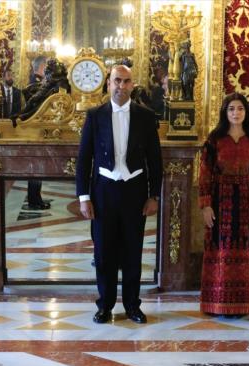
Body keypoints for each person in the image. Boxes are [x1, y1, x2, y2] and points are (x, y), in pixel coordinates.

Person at [76, 64, 162, 324]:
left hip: (135, 192)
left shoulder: (146, 117)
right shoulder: (95, 115)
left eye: (125, 82)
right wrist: (84, 197)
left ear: (132, 85)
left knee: (133, 252)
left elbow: (155, 161)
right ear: (108, 83)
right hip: (103, 191)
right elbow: (84, 159)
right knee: (104, 253)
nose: (120, 87)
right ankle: (105, 305)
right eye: (116, 81)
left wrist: (153, 195)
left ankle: (132, 306)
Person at [199, 93, 249, 317]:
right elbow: (205, 174)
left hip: (246, 202)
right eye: (231, 109)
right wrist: (206, 205)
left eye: (240, 109)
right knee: (221, 252)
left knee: (244, 253)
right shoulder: (214, 139)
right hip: (220, 201)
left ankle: (242, 306)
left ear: (246, 112)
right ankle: (216, 304)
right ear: (225, 113)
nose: (235, 113)